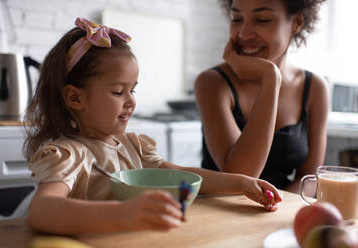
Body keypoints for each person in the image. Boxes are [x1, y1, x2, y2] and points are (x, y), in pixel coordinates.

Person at [24, 17, 281, 235]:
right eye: (117, 92)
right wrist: (122, 214)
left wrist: (241, 182)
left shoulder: (133, 147)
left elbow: (182, 177)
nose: (130, 102)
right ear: (75, 98)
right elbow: (42, 210)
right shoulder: (70, 155)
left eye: (132, 90)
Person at [194, 0, 329, 193]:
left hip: (281, 213)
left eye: (262, 19)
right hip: (219, 213)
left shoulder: (314, 87)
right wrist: (271, 78)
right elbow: (240, 175)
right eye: (237, 19)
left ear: (297, 22)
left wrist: (275, 207)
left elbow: (309, 178)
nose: (243, 33)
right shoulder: (213, 83)